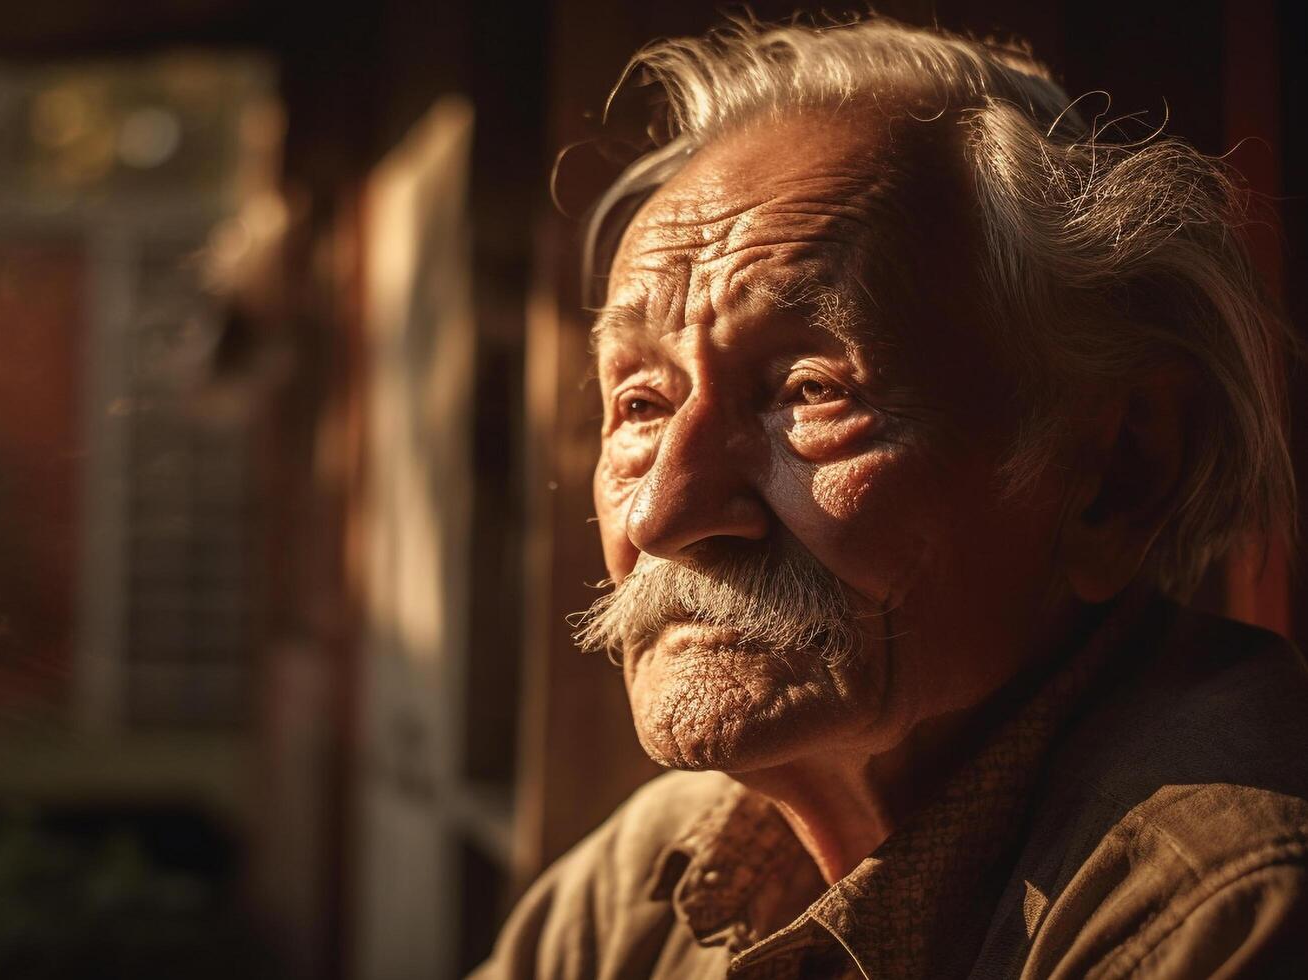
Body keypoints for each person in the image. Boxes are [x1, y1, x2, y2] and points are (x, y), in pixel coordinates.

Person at [472, 16, 1308, 980]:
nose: (661, 513)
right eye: (642, 402)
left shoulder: (1227, 912)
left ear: (1118, 475)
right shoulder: (657, 871)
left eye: (809, 391)